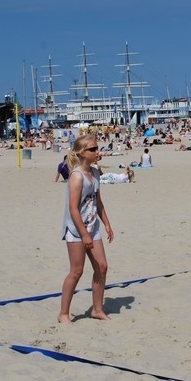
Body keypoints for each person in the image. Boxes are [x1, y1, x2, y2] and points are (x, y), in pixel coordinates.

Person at [58, 134, 115, 323]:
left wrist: (106, 223)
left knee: (102, 266)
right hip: (76, 229)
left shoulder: (96, 173)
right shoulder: (77, 176)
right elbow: (73, 208)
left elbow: (98, 202)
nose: (97, 152)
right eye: (93, 149)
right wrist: (84, 234)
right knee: (76, 271)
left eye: (97, 148)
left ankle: (97, 309)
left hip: (92, 226)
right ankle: (63, 313)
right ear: (82, 153)